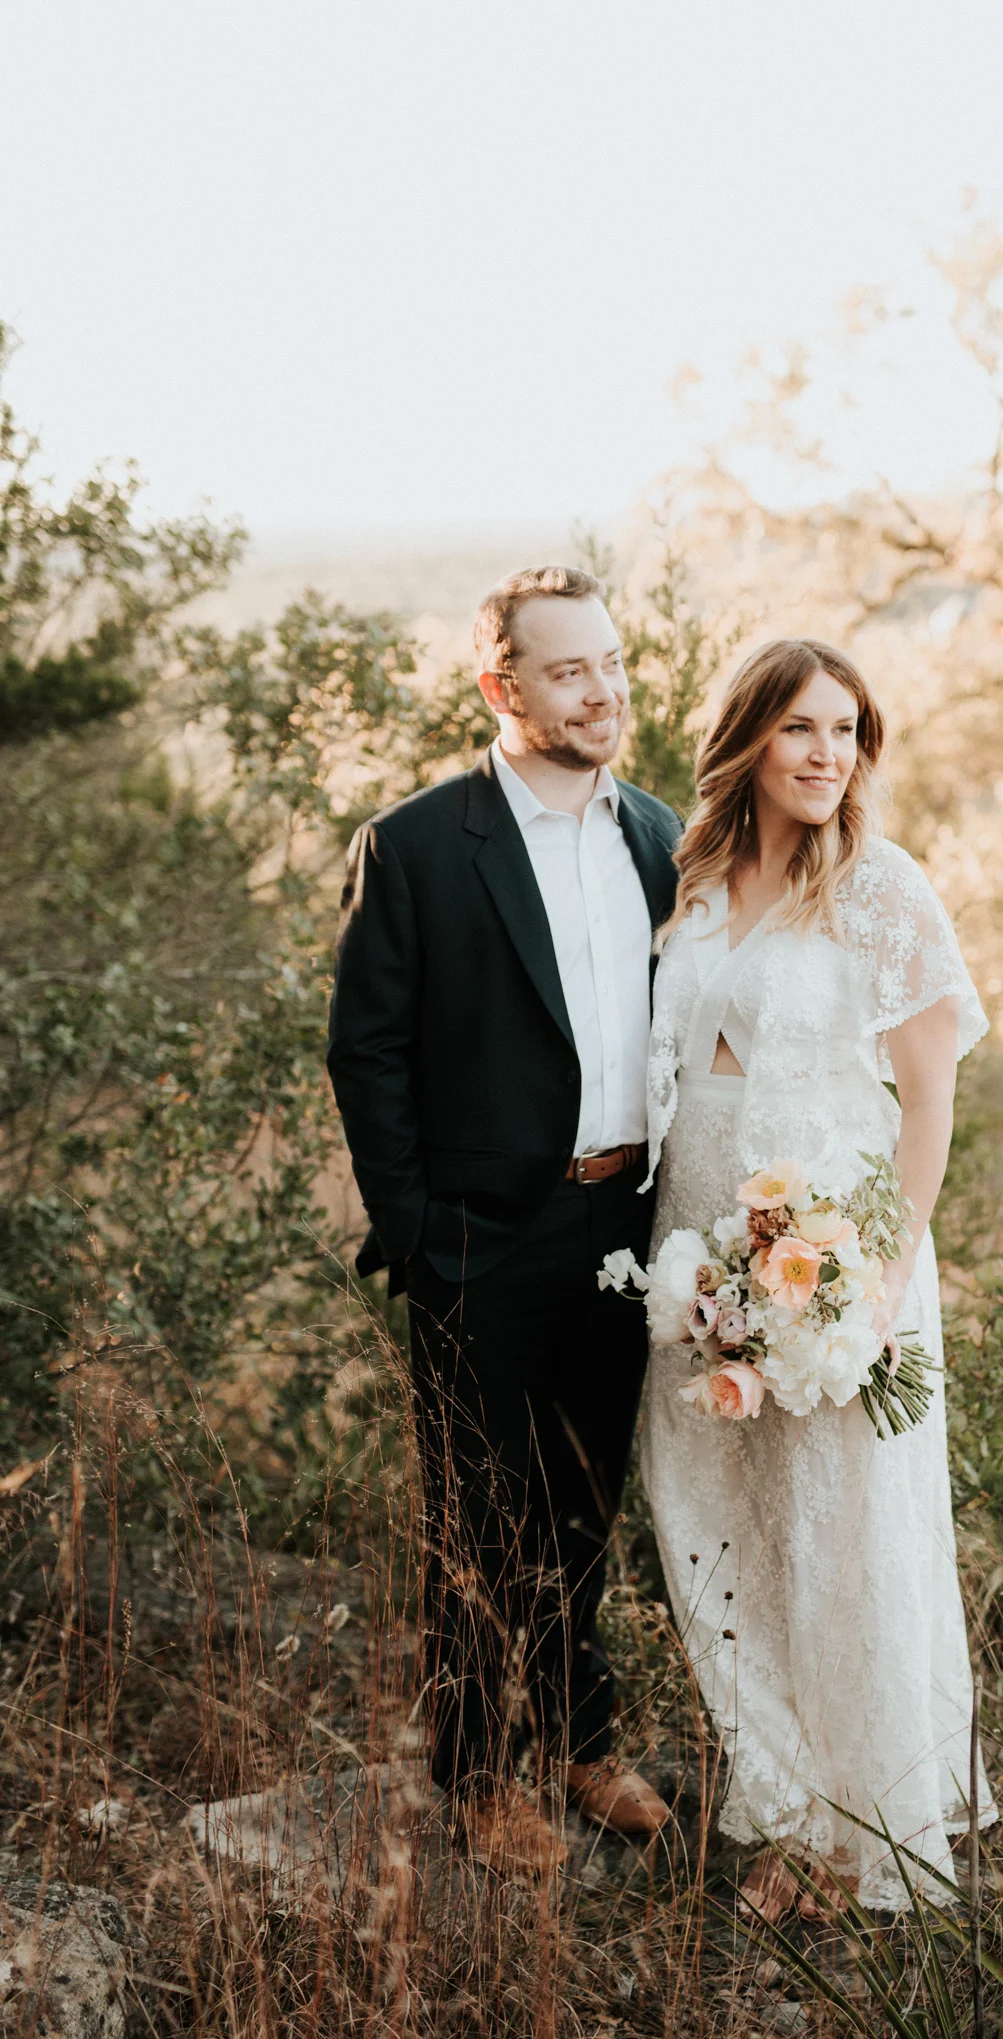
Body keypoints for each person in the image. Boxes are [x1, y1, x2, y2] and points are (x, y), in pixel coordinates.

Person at [327, 565, 681, 1875]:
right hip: (482, 1233)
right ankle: (478, 1774)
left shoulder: (663, 834)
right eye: (570, 668)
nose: (605, 689)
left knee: (586, 1506)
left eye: (613, 661)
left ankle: (582, 1743)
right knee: (481, 1514)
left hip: (629, 1224)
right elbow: (366, 1050)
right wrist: (418, 1230)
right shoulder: (418, 844)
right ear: (503, 687)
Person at [639, 638, 996, 1918]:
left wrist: (881, 1282)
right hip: (701, 1249)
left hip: (838, 1252)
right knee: (714, 1516)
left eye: (846, 731)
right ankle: (782, 1801)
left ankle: (863, 1831)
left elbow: (931, 1100)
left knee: (843, 1532)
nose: (826, 755)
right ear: (749, 740)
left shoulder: (883, 890)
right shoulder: (691, 878)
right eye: (800, 729)